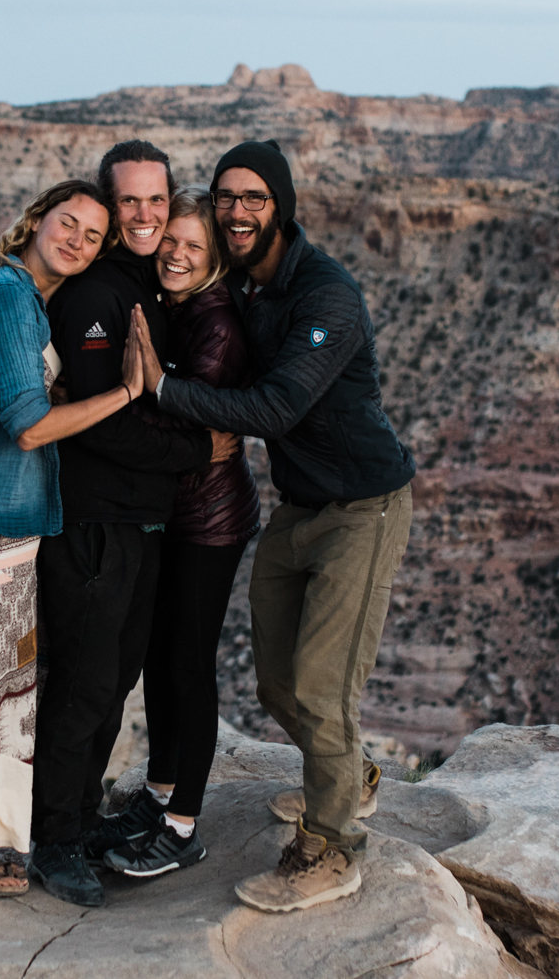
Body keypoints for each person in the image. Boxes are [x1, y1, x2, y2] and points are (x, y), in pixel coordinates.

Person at [130, 139, 415, 913]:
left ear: (282, 204)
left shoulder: (327, 295)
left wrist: (164, 389)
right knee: (276, 682)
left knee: (322, 689)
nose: (238, 211)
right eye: (226, 197)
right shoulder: (246, 286)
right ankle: (348, 778)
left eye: (254, 197)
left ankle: (331, 846)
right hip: (298, 505)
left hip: (362, 508)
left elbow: (275, 407)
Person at [0, 179, 145, 899]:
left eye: (92, 235)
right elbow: (29, 425)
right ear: (36, 221)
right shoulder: (7, 296)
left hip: (2, 527)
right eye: (66, 222)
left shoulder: (27, 304)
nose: (76, 239)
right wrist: (129, 391)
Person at [28, 142, 240, 908]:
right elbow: (91, 425)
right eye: (132, 203)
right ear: (110, 207)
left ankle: (79, 819)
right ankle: (52, 840)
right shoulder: (95, 297)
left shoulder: (147, 289)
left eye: (158, 201)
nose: (148, 216)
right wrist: (195, 449)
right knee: (84, 686)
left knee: (113, 682)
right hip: (92, 524)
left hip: (140, 523)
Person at [101, 188, 259, 880]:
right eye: (172, 241)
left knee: (189, 664)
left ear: (215, 259)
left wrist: (139, 395)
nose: (178, 254)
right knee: (164, 657)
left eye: (196, 246)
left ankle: (183, 824)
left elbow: (186, 426)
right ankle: (160, 793)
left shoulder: (215, 322)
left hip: (209, 517)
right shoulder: (176, 307)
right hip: (180, 508)